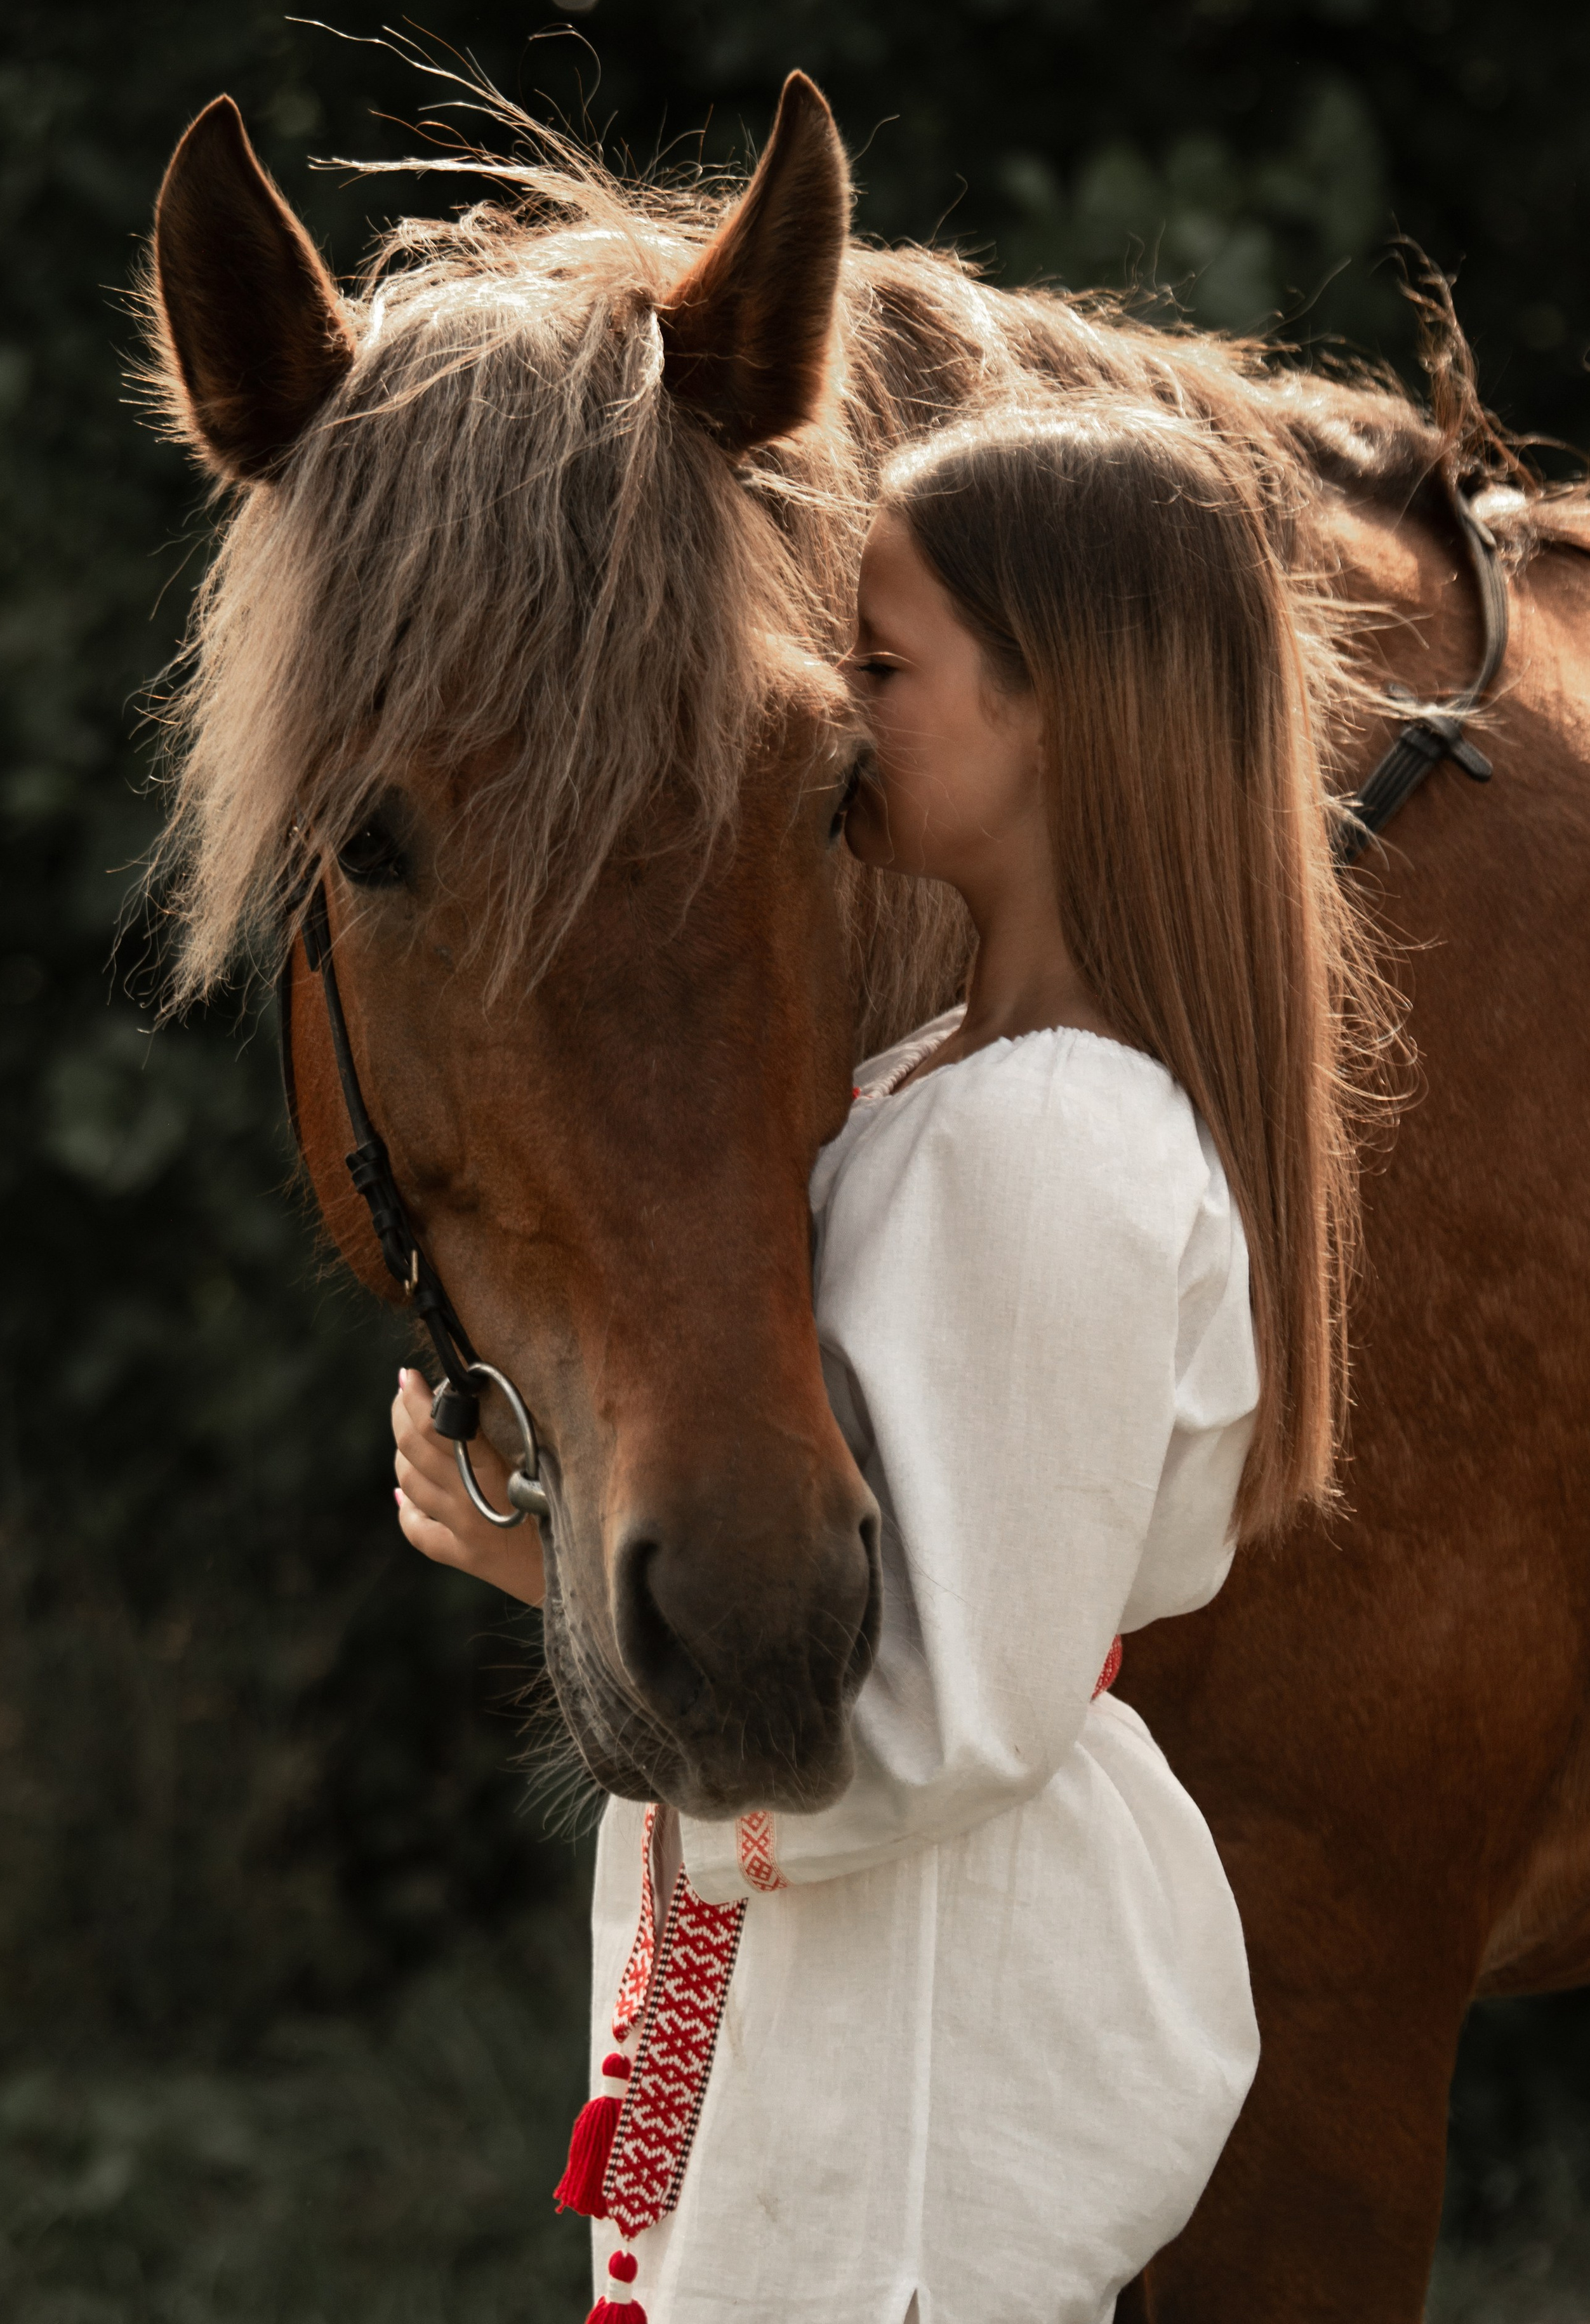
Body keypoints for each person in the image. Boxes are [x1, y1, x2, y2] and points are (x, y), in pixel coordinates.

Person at [389, 399, 1385, 2323]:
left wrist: (545, 1582)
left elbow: (946, 1726)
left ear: (1054, 716)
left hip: (929, 2041)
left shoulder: (1054, 1144)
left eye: (882, 662)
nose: (837, 707)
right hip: (862, 2010)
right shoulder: (942, 1094)